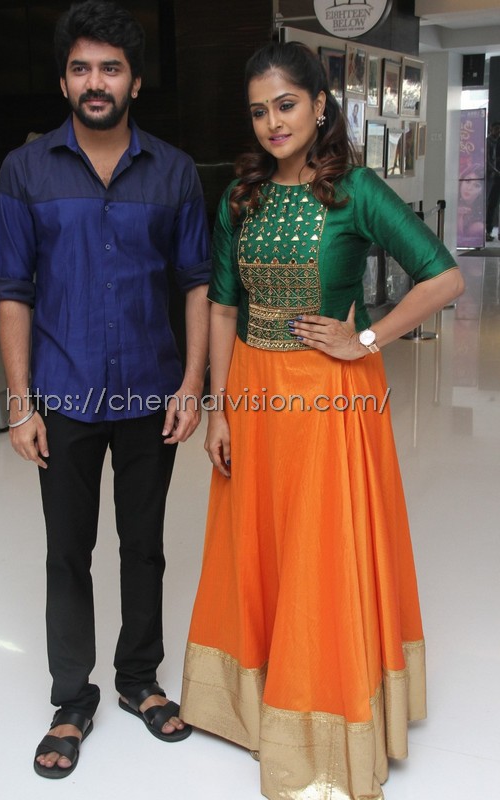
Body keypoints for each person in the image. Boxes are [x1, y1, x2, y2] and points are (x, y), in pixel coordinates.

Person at [180, 41, 463, 800]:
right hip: (255, 392)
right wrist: (219, 408)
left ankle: (324, 714)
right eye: (259, 111)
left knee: (321, 548)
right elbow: (223, 307)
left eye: (286, 105)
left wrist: (364, 338)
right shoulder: (240, 197)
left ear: (319, 105)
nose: (273, 123)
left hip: (330, 397)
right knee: (258, 538)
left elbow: (443, 278)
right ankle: (254, 699)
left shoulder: (355, 190)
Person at [0, 0, 210, 779]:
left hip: (152, 392)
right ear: (63, 81)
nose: (95, 81)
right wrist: (21, 401)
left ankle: (138, 679)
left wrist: (192, 384)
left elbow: (197, 283)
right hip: (63, 394)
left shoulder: (175, 172)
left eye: (110, 68)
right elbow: (12, 291)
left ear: (135, 82)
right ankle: (71, 699)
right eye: (81, 68)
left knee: (144, 546)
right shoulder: (27, 172)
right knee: (67, 552)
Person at [485, 121, 500, 241]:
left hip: (496, 177)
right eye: (496, 129)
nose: (498, 131)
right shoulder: (488, 142)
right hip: (491, 178)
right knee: (491, 205)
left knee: (494, 205)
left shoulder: (496, 141)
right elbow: (487, 160)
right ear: (491, 129)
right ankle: (487, 231)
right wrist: (495, 171)